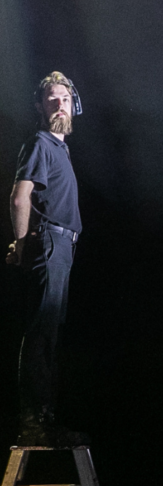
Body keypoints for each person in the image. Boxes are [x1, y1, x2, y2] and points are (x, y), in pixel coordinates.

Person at [6, 72, 89, 448]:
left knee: (50, 331)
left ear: (74, 106)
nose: (60, 105)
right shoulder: (40, 142)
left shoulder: (59, 148)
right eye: (52, 99)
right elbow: (20, 196)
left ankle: (46, 420)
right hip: (50, 242)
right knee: (41, 330)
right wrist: (22, 243)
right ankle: (33, 421)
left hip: (62, 244)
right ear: (40, 106)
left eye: (65, 100)